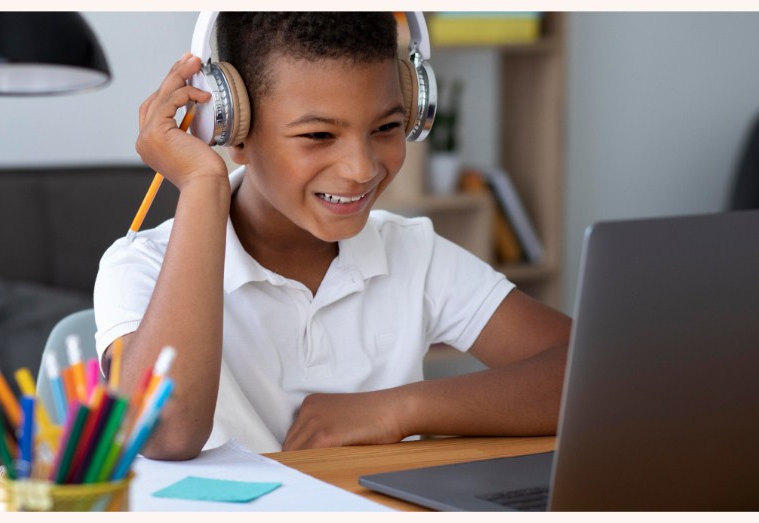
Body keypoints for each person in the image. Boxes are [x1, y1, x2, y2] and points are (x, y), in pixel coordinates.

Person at [93, 12, 571, 460]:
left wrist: (400, 409)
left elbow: (599, 374)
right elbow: (165, 433)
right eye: (319, 136)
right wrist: (201, 184)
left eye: (386, 126)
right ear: (231, 127)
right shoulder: (140, 267)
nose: (361, 168)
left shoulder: (413, 254)